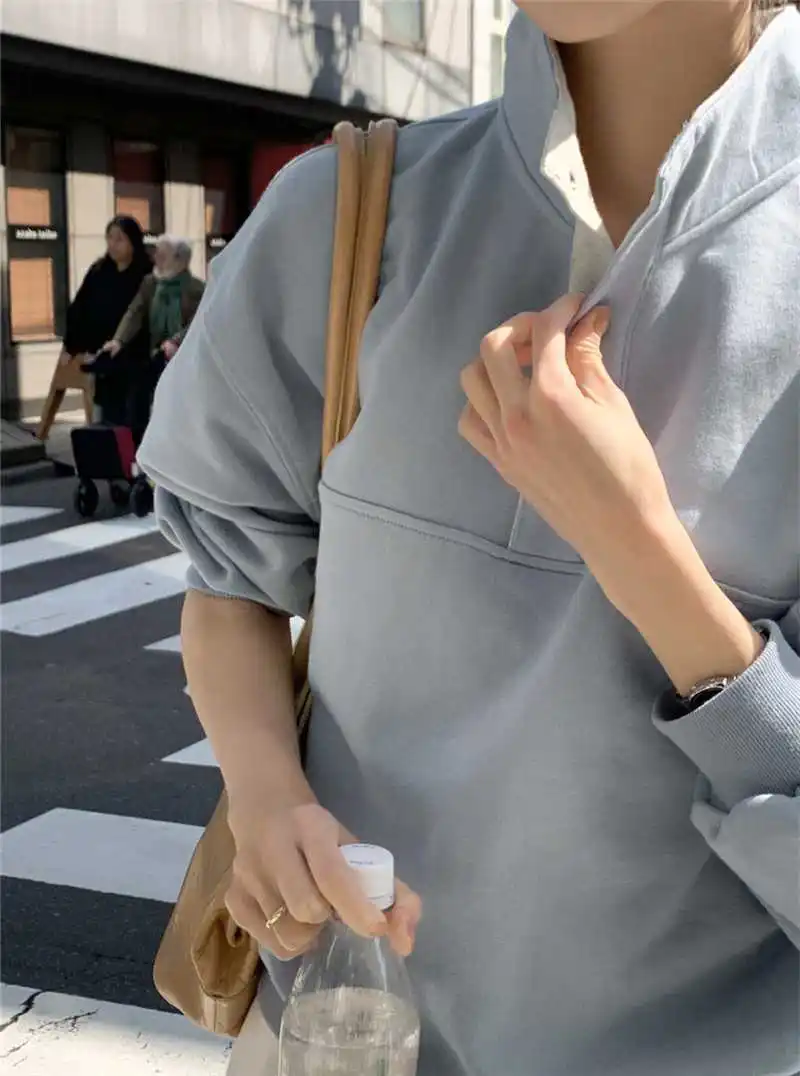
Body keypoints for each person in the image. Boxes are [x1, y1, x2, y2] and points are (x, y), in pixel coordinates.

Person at [139, 2, 800, 1075]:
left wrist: (638, 552)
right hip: (337, 1043)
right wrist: (267, 795)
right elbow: (231, 580)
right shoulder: (351, 211)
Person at [102, 235, 205, 444]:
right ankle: (139, 446)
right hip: (153, 354)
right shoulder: (150, 283)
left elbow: (198, 323)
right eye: (156, 253)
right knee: (137, 399)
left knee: (178, 407)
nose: (156, 258)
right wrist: (118, 340)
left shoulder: (196, 289)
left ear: (180, 260)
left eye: (162, 255)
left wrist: (176, 341)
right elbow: (135, 312)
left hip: (184, 357)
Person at [57, 216, 152, 425]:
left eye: (119, 239)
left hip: (136, 360)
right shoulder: (99, 271)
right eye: (109, 238)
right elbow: (79, 308)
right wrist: (71, 345)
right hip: (102, 359)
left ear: (133, 242)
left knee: (134, 418)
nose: (113, 244)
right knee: (107, 419)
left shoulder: (147, 273)